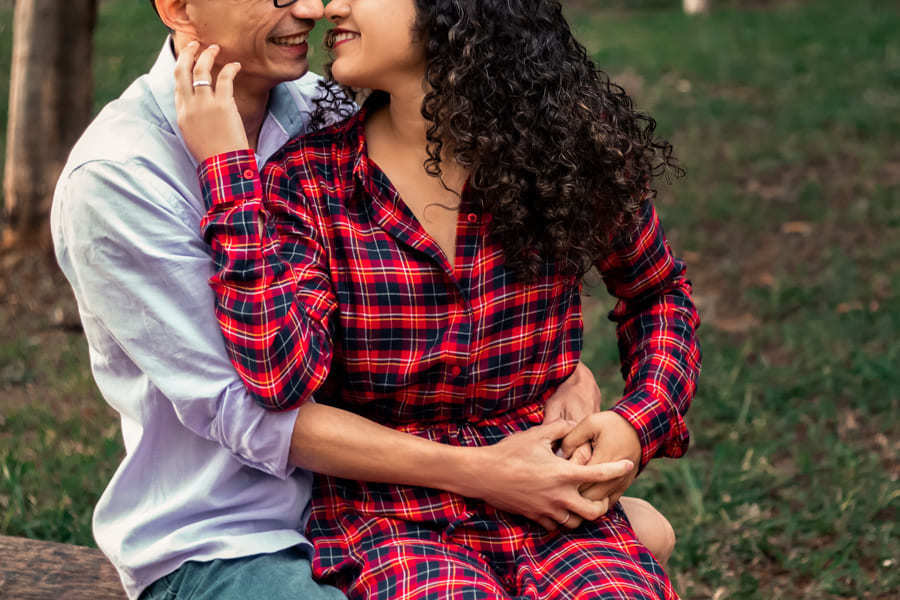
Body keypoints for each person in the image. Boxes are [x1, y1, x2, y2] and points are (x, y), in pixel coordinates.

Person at [50, 1, 671, 599]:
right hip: (235, 532)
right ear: (179, 7)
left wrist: (572, 384)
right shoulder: (120, 177)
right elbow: (256, 405)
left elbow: (637, 288)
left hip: (414, 492)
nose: (316, 9)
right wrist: (488, 471)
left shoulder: (331, 105)